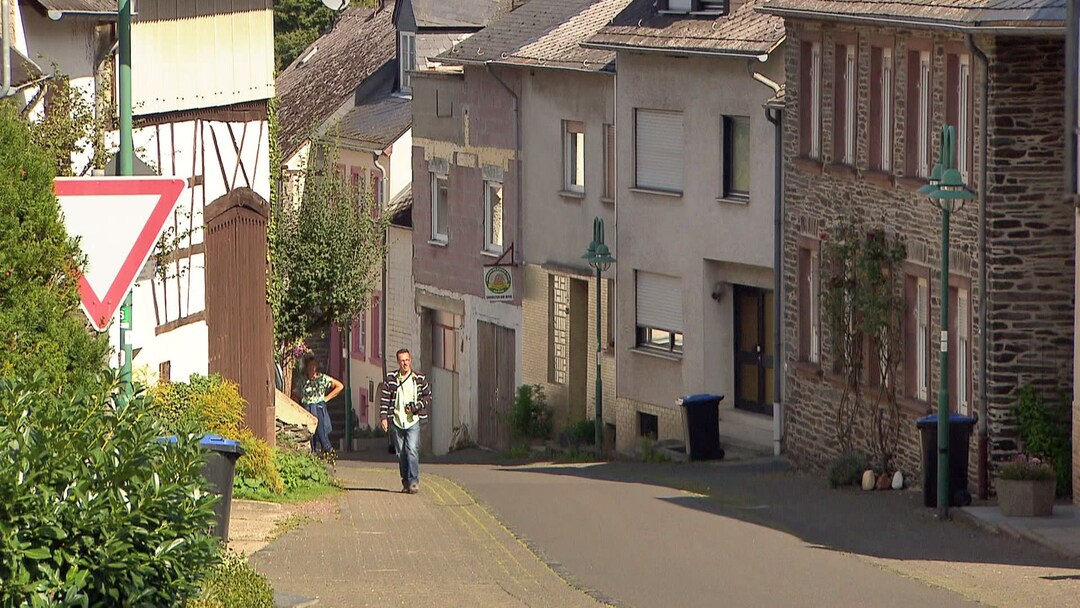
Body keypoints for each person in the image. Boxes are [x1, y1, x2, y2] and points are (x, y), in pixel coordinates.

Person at [380, 348, 432, 494]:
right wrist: (384, 418)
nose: (405, 363)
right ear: (398, 362)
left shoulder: (419, 378)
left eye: (407, 360)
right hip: (397, 421)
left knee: (412, 450)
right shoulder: (391, 378)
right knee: (401, 453)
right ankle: (405, 481)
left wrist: (417, 407)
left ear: (410, 360)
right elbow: (385, 399)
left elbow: (428, 396)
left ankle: (414, 481)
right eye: (402, 361)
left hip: (413, 421)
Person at [299, 354, 344, 454]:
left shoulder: (322, 379)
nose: (312, 369)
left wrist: (327, 398)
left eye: (314, 366)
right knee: (310, 434)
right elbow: (296, 393)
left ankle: (328, 451)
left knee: (321, 431)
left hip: (318, 406)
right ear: (306, 368)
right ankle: (314, 452)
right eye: (310, 366)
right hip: (306, 407)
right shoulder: (303, 380)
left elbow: (340, 386)